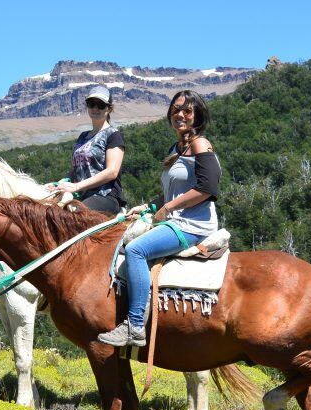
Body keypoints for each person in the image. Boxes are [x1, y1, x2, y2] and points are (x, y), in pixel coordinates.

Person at [98, 90, 221, 347]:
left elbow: (208, 187)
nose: (180, 115)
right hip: (175, 220)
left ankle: (134, 326)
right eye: (175, 109)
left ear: (197, 115)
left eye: (187, 110)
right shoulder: (176, 148)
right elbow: (170, 193)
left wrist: (170, 207)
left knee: (135, 250)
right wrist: (148, 206)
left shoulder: (200, 144)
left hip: (192, 225)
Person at [46, 85, 126, 214]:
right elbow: (76, 171)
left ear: (109, 108)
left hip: (105, 196)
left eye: (100, 105)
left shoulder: (113, 135)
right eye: (91, 104)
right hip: (81, 196)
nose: (95, 108)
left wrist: (77, 186)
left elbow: (112, 172)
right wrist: (59, 183)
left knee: (75, 215)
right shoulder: (83, 136)